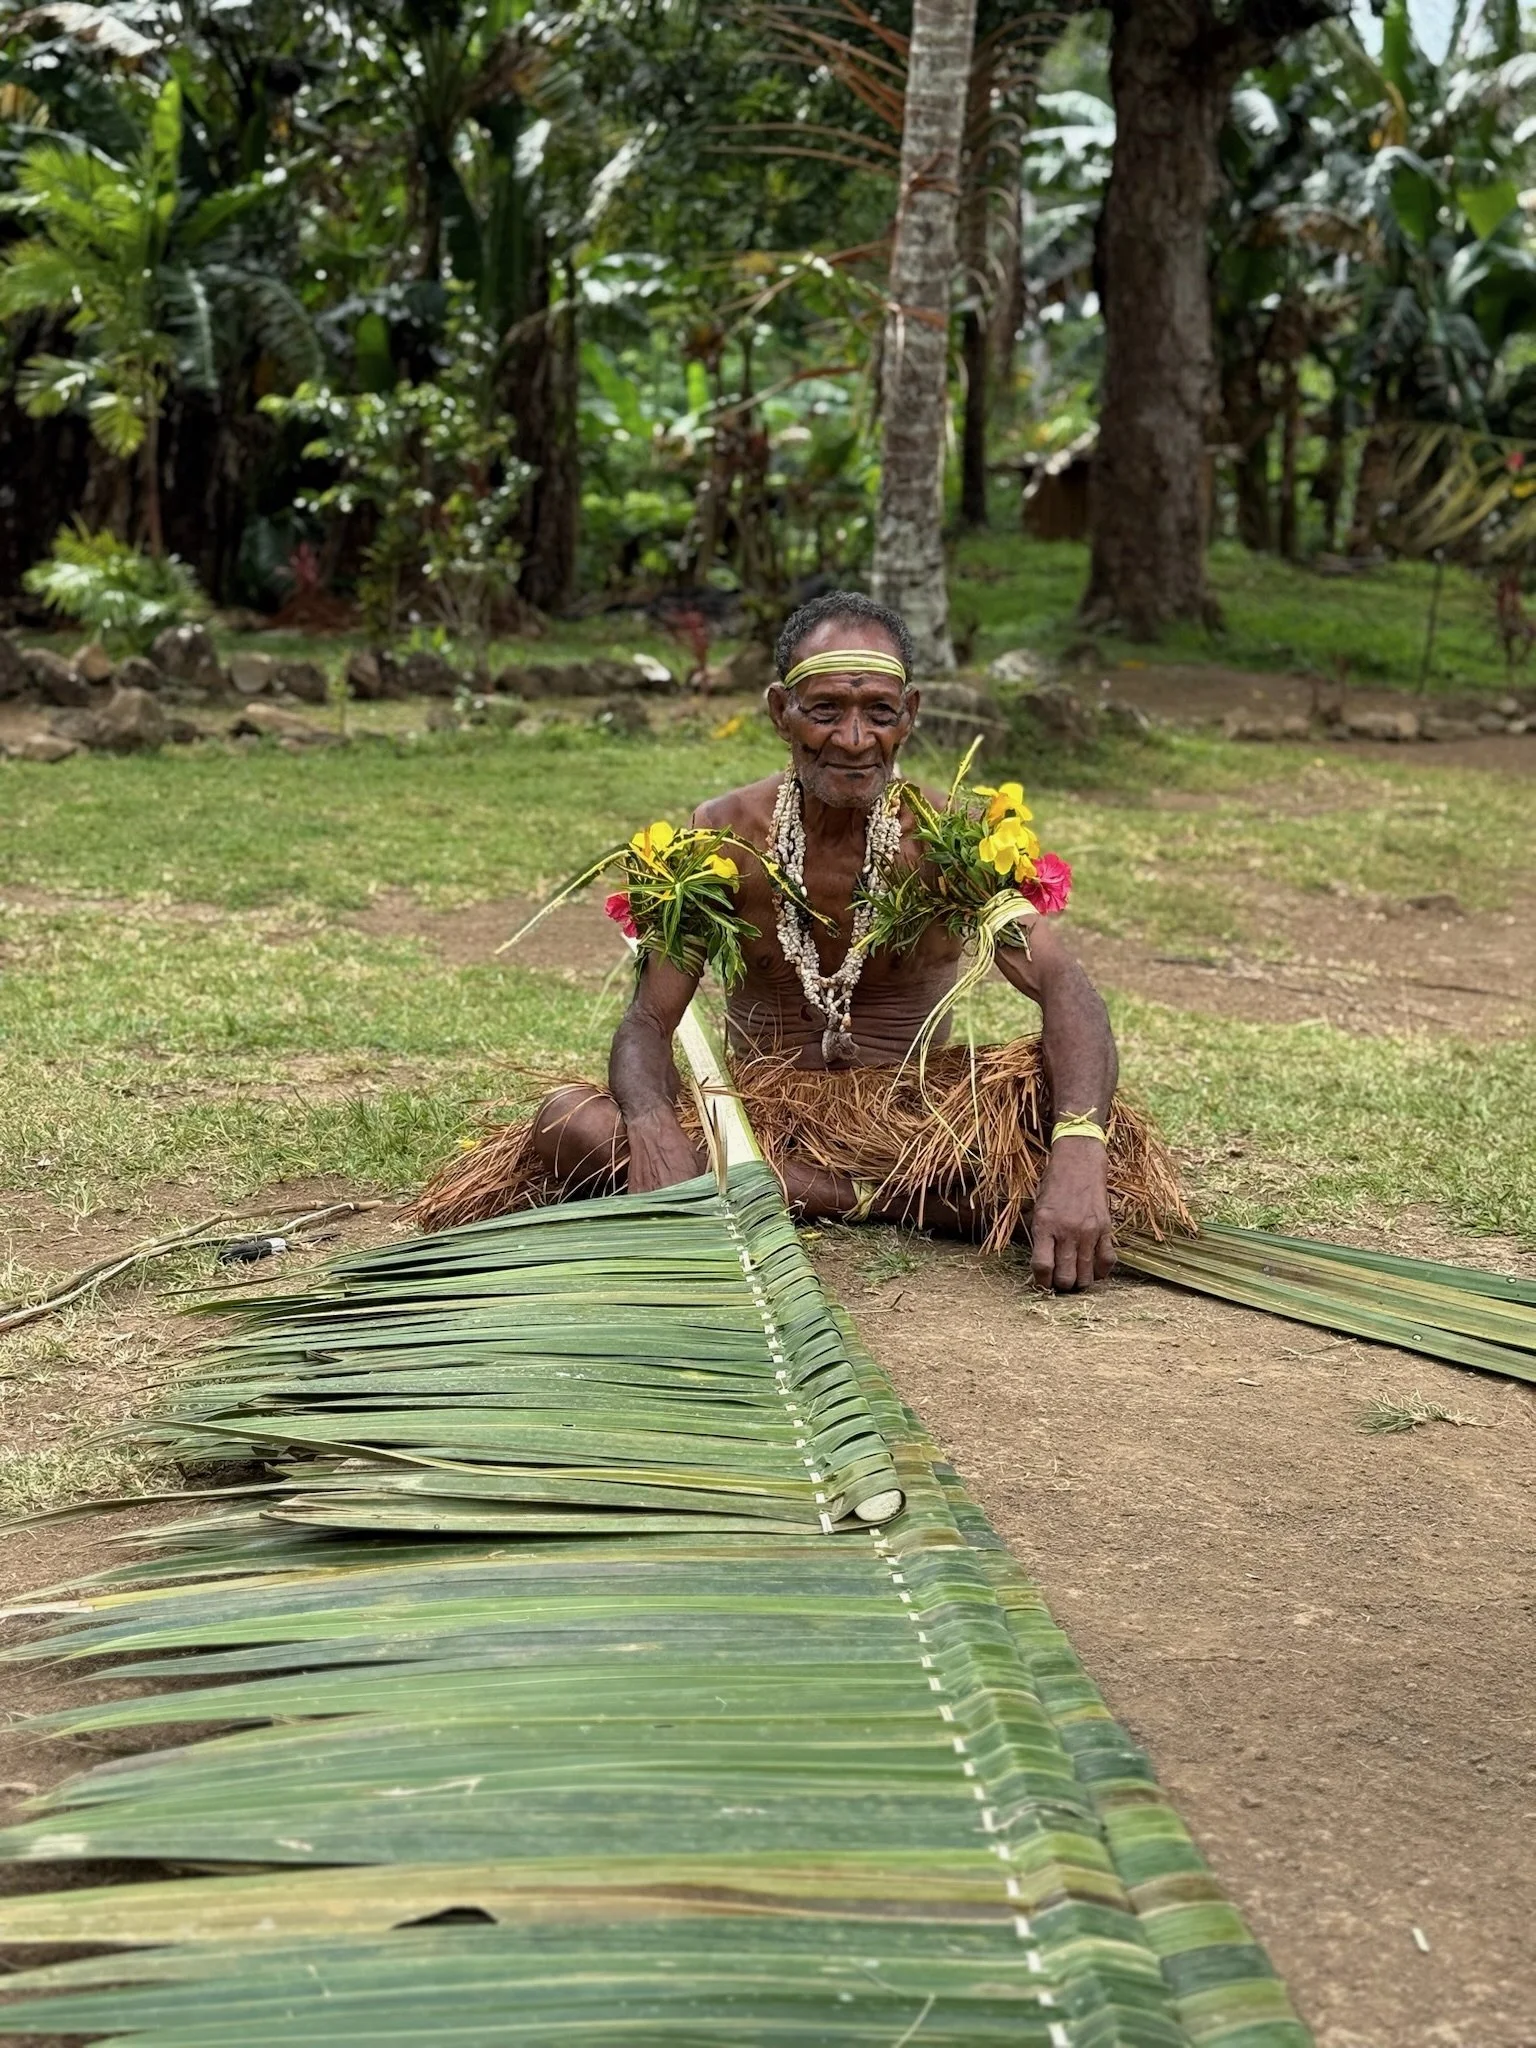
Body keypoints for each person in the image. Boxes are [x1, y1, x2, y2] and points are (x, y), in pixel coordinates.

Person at [416, 591, 1189, 1291]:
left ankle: (787, 1190)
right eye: (825, 710)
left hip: (914, 1124)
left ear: (911, 714)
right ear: (779, 711)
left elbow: (1065, 985)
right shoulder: (722, 836)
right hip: (758, 1118)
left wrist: (1078, 1147)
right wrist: (651, 1126)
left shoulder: (951, 839)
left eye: (879, 712)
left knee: (1077, 1123)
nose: (853, 739)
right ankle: (913, 1206)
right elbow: (649, 1020)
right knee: (569, 1121)